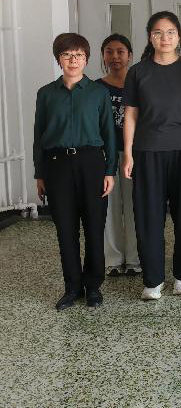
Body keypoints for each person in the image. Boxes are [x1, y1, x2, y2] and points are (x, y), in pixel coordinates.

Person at [123, 12, 181, 300]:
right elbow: (130, 114)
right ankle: (153, 279)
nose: (165, 38)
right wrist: (128, 154)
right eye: (158, 33)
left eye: (170, 32)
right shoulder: (138, 72)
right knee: (148, 216)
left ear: (179, 37)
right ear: (150, 37)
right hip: (147, 151)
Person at [34, 33, 116, 310]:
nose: (73, 60)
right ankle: (72, 287)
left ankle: (93, 286)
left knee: (94, 227)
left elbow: (109, 134)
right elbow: (38, 136)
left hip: (91, 164)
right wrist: (39, 173)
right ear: (59, 59)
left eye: (79, 55)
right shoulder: (46, 94)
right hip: (56, 166)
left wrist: (109, 171)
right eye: (67, 55)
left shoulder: (98, 93)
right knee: (65, 230)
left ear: (87, 59)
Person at [98, 34, 140, 277]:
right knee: (110, 207)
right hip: (106, 155)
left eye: (120, 51)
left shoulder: (138, 84)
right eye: (109, 51)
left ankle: (135, 259)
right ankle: (113, 259)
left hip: (134, 153)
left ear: (129, 56)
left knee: (135, 205)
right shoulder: (96, 87)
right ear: (103, 56)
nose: (115, 57)